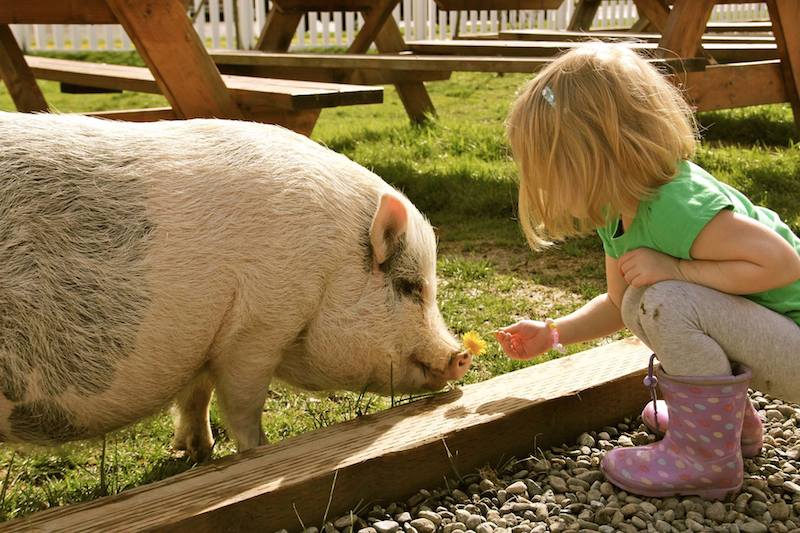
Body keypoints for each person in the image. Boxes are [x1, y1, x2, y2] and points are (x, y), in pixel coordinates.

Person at [496, 42, 800, 499]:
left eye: (550, 168)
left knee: (663, 299)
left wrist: (675, 267)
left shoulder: (677, 205)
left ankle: (705, 458)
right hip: (775, 340)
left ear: (592, 155)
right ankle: (724, 430)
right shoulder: (617, 212)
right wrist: (553, 332)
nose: (541, 183)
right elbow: (621, 306)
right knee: (646, 299)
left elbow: (781, 263)